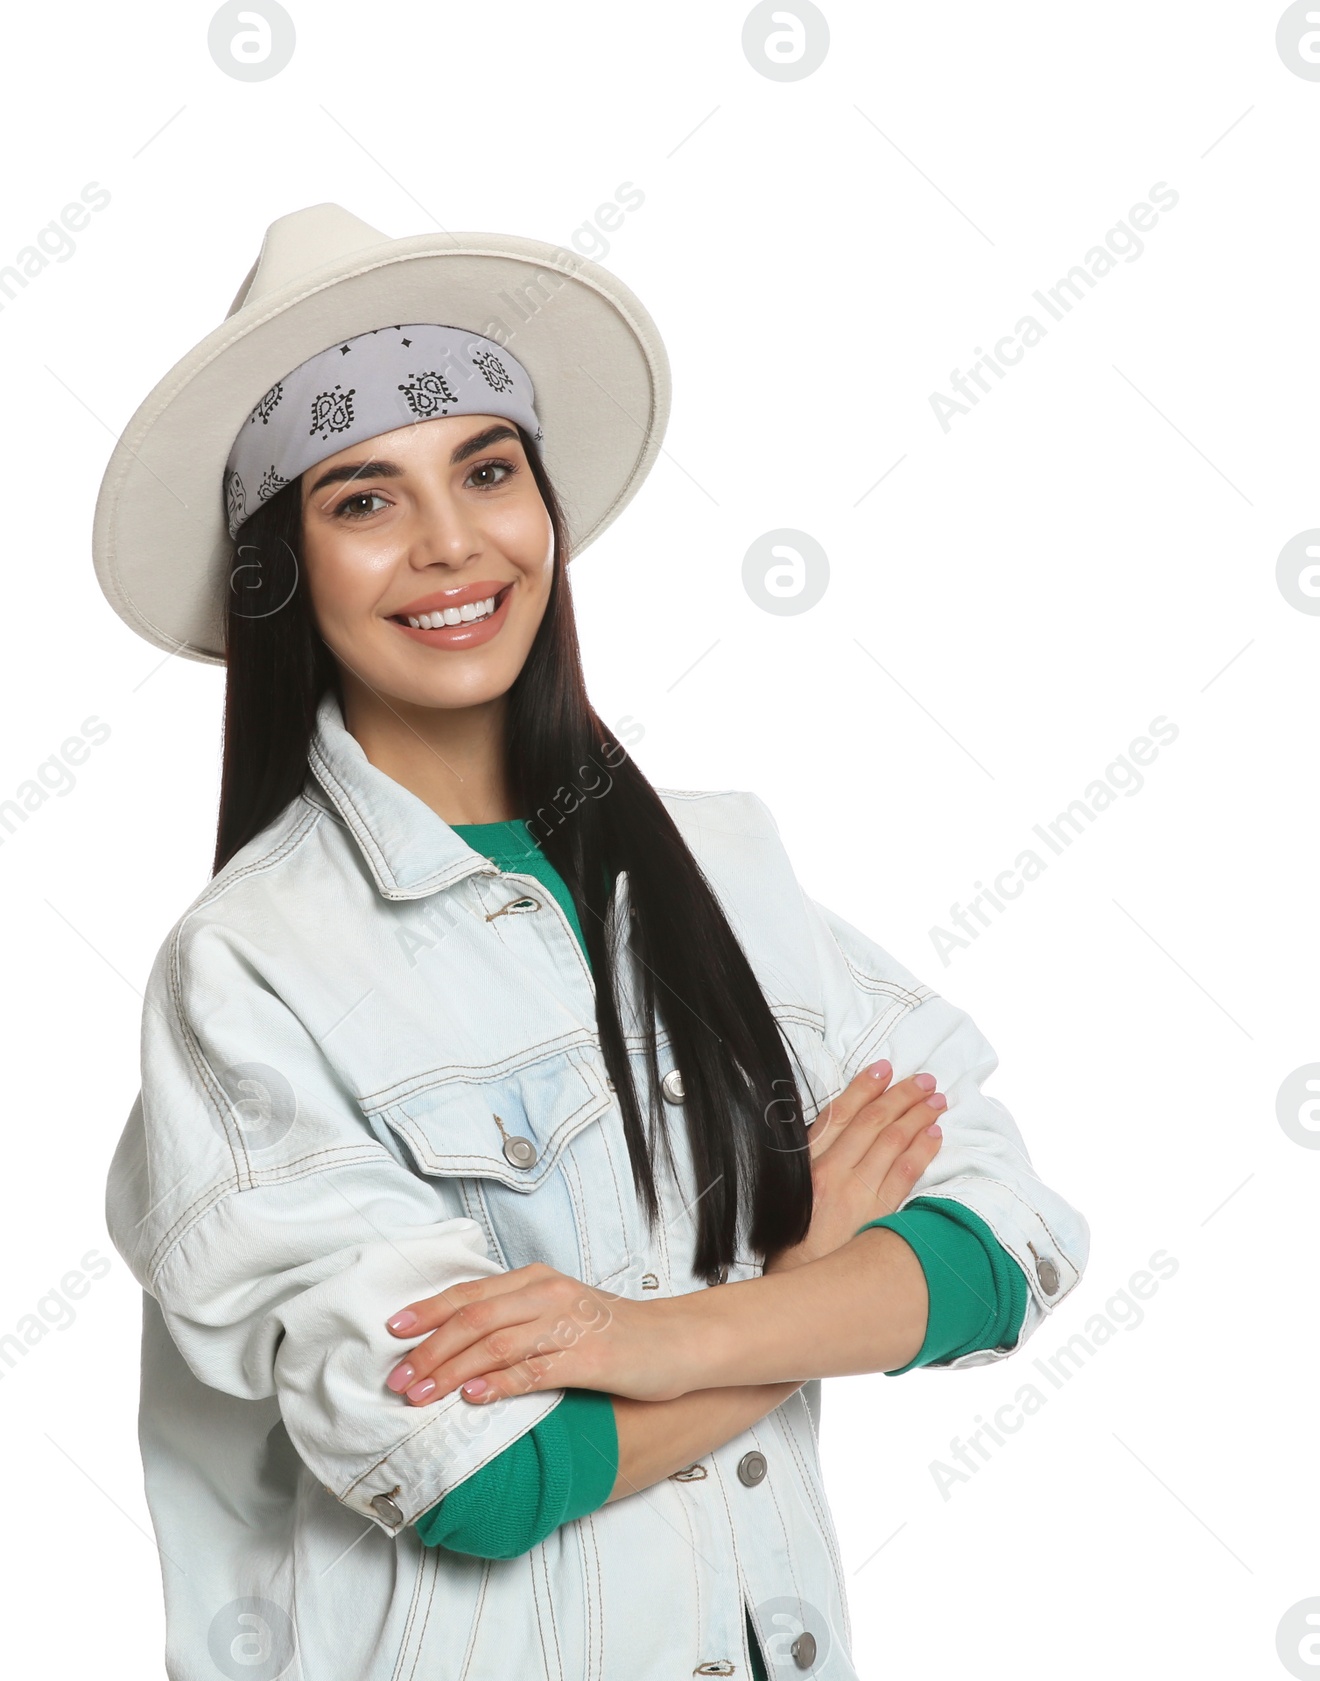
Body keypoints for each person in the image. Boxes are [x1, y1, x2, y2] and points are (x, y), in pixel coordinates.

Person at [95, 203, 1089, 1681]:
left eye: (487, 470)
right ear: (281, 567)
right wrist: (814, 1279)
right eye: (363, 499)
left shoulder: (724, 867)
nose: (451, 543)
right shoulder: (249, 967)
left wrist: (645, 1341)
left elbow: (1011, 1243)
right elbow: (478, 1475)